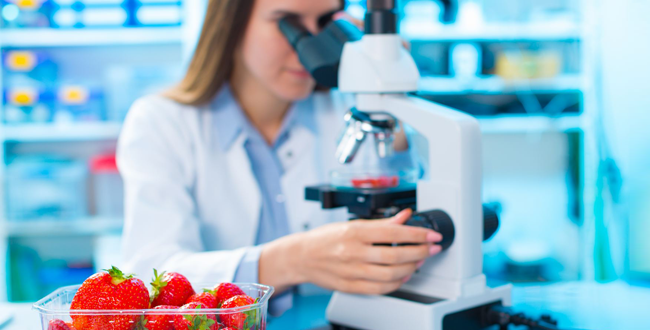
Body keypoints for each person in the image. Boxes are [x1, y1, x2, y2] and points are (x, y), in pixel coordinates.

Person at [116, 0, 443, 314]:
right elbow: (151, 273)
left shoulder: (351, 111)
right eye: (288, 24)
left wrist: (389, 97)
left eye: (325, 24)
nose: (308, 48)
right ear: (232, 23)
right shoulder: (163, 122)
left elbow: (409, 207)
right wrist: (293, 260)